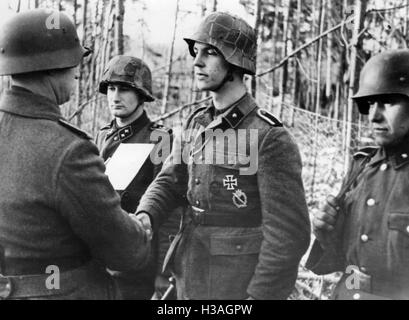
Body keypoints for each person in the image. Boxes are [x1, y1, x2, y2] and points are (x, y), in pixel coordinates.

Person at [136, 12, 311, 300]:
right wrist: (146, 214)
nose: (197, 61)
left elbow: (288, 236)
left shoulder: (268, 136)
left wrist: (258, 297)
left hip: (235, 285)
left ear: (235, 62)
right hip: (189, 272)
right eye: (197, 51)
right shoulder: (197, 122)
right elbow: (170, 180)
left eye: (210, 52)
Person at [0, 9, 150, 300]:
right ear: (54, 67)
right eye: (73, 62)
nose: (77, 71)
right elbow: (126, 252)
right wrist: (139, 228)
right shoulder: (68, 150)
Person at [307, 49, 409, 300]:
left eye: (387, 102)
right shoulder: (363, 166)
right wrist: (326, 233)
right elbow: (342, 260)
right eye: (370, 103)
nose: (373, 115)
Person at [96, 55, 182, 300]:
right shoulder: (103, 136)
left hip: (137, 272)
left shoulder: (160, 139)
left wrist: (163, 280)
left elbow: (170, 216)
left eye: (124, 89)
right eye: (111, 88)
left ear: (142, 95)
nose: (115, 96)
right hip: (100, 268)